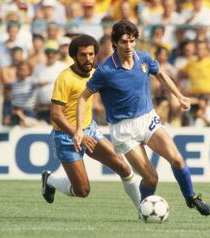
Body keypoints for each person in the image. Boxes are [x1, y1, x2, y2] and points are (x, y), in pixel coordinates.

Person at [74, 20, 210, 216]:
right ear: (115, 43)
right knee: (151, 178)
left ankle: (191, 198)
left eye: (132, 41)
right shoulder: (105, 71)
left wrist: (179, 96)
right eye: (124, 42)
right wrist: (79, 129)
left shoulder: (144, 59)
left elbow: (161, 74)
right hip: (123, 129)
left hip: (148, 119)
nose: (129, 46)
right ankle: (143, 209)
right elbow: (83, 98)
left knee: (178, 160)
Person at [41, 35, 141, 212]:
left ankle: (142, 210)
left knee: (124, 167)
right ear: (74, 56)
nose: (88, 59)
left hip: (90, 131)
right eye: (83, 55)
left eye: (91, 54)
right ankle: (50, 180)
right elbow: (56, 115)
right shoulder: (65, 78)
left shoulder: (96, 73)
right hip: (66, 137)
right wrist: (77, 134)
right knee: (82, 191)